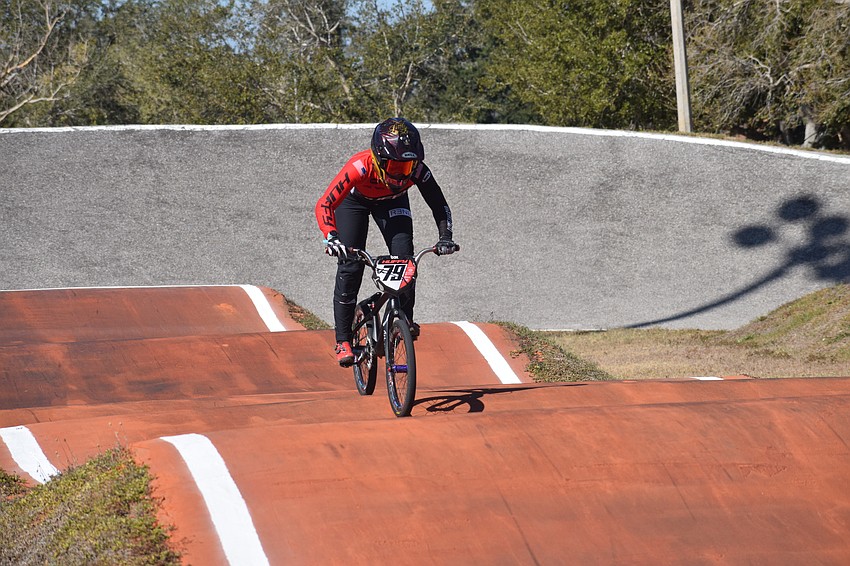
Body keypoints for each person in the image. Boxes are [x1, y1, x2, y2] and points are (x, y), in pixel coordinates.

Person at [315, 117, 458, 366]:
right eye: (395, 167)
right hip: (355, 203)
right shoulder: (359, 166)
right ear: (379, 159)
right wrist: (332, 236)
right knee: (351, 266)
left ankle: (404, 321)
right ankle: (343, 340)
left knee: (405, 259)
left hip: (393, 203)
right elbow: (325, 203)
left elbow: (439, 204)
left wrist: (445, 236)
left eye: (408, 166)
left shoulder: (418, 171)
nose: (402, 174)